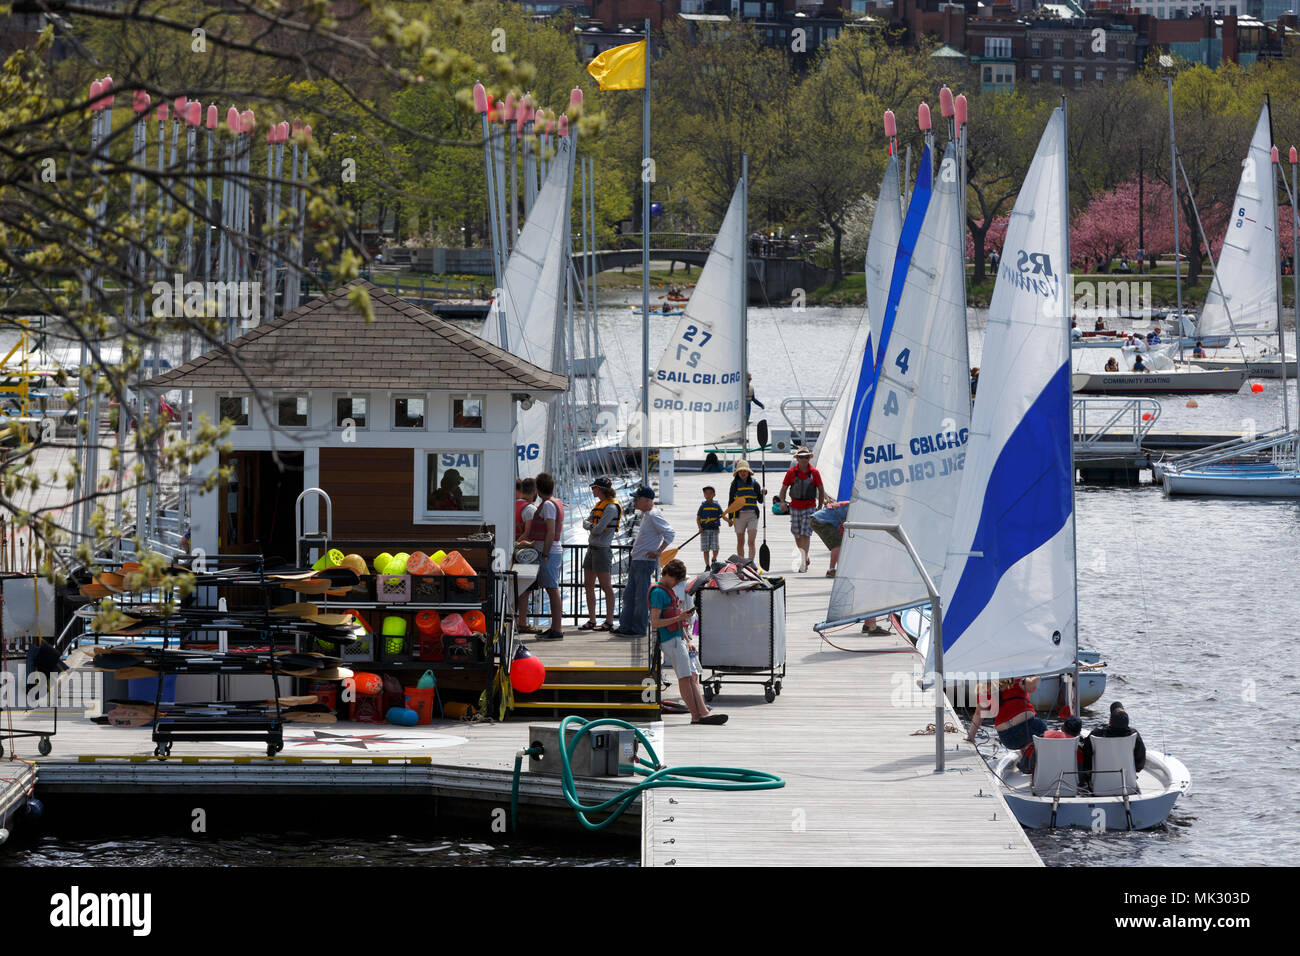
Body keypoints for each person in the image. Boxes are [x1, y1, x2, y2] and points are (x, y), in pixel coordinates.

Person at [650, 559, 726, 725]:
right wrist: (679, 617)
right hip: (670, 641)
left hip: (679, 639)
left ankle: (702, 712)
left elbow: (676, 620)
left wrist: (687, 639)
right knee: (685, 677)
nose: (677, 584)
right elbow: (655, 622)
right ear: (668, 575)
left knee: (691, 676)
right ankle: (696, 715)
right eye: (676, 580)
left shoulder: (668, 590)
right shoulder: (657, 592)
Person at [614, 486, 674, 637]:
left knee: (641, 596)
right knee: (629, 595)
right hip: (638, 560)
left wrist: (658, 551)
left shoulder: (653, 514)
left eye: (637, 498)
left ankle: (638, 629)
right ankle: (626, 625)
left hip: (644, 562)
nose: (634, 501)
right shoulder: (647, 515)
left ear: (647, 500)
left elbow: (670, 533)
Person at [965, 676, 1046, 773]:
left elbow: (979, 715)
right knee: (1041, 733)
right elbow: (1032, 687)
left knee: (1025, 742)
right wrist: (1039, 676)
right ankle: (1034, 762)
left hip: (1008, 738)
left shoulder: (985, 688)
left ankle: (1027, 757)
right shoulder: (1016, 680)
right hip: (1029, 728)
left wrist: (971, 736)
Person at [524, 472, 566, 640]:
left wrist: (546, 554)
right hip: (547, 549)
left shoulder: (548, 505)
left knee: (552, 589)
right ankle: (554, 627)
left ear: (538, 489)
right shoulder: (554, 502)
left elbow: (550, 531)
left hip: (550, 552)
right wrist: (533, 545)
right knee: (551, 589)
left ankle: (557, 629)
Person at [580, 477, 621, 632]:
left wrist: (590, 525)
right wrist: (591, 525)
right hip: (592, 548)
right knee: (588, 585)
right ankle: (592, 620)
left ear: (601, 489)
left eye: (594, 488)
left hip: (603, 550)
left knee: (606, 586)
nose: (592, 490)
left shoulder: (611, 508)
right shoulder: (599, 505)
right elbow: (588, 524)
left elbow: (597, 529)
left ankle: (609, 621)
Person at [778, 447, 827, 572]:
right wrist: (782, 502)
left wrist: (820, 507)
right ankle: (805, 556)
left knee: (805, 533)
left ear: (809, 458)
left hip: (809, 506)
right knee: (796, 533)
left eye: (806, 457)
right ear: (797, 459)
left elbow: (821, 491)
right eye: (801, 457)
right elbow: (783, 490)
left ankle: (803, 561)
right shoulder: (791, 472)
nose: (804, 459)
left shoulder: (814, 473)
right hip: (794, 507)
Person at [1081, 701, 1147, 788]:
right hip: (1127, 785)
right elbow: (1141, 758)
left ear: (1110, 721)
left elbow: (1086, 755)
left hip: (1100, 785)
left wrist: (1089, 771)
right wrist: (1136, 769)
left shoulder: (1096, 734)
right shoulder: (1133, 735)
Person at [726, 461, 764, 561]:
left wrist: (764, 493)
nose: (743, 473)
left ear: (748, 472)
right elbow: (731, 501)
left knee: (751, 541)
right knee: (740, 541)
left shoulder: (755, 483)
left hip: (752, 515)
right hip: (739, 516)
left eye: (745, 471)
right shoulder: (734, 484)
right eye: (740, 471)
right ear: (737, 473)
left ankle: (750, 563)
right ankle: (741, 564)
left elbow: (760, 500)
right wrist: (730, 518)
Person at [697, 486, 724, 567]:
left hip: (715, 529)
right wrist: (700, 528)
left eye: (710, 493)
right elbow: (698, 518)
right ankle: (707, 565)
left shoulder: (717, 505)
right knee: (706, 549)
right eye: (706, 493)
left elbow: (723, 515)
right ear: (704, 495)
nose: (708, 495)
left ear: (714, 495)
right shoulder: (702, 506)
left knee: (716, 548)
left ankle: (714, 558)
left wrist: (729, 521)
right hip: (704, 530)